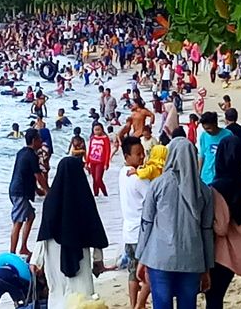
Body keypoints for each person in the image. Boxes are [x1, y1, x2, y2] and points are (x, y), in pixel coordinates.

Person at [136, 137, 214, 309]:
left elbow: (146, 222)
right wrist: (207, 266)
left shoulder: (158, 184)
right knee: (188, 304)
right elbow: (207, 230)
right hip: (192, 258)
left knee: (162, 304)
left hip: (160, 257)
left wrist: (141, 256)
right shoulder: (204, 190)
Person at [31, 157, 108, 309]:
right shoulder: (84, 199)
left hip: (53, 253)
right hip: (79, 252)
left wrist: (36, 260)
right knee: (82, 295)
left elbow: (43, 233)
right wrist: (98, 258)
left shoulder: (51, 200)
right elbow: (95, 230)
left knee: (58, 294)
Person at [204, 136, 241, 309]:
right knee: (218, 295)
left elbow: (220, 228)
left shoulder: (217, 188)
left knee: (213, 298)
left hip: (222, 254)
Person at [118, 137, 151, 309]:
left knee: (133, 271)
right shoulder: (138, 178)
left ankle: (133, 305)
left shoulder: (122, 173)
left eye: (143, 153)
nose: (142, 157)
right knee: (149, 273)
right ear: (126, 156)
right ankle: (140, 304)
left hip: (128, 232)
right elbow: (152, 199)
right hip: (141, 232)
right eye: (137, 154)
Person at [9, 129, 49, 256]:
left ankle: (23, 247)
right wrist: (48, 191)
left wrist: (37, 190)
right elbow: (38, 175)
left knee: (30, 216)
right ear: (33, 141)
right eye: (39, 139)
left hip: (16, 189)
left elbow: (24, 173)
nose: (41, 141)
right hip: (20, 191)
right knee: (18, 221)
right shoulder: (31, 155)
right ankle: (12, 253)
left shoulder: (22, 152)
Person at [198, 111, 232, 185]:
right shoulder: (204, 136)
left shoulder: (228, 135)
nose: (207, 131)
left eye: (209, 128)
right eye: (205, 129)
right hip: (206, 177)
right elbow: (201, 156)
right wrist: (198, 174)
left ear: (215, 124)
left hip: (222, 177)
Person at [86, 123, 112, 197]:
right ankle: (96, 195)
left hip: (100, 162)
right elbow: (90, 150)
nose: (97, 131)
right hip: (92, 161)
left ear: (102, 129)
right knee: (94, 180)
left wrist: (106, 163)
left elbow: (108, 151)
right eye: (95, 130)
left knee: (98, 179)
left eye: (99, 129)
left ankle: (105, 193)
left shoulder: (105, 138)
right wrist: (87, 162)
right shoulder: (92, 138)